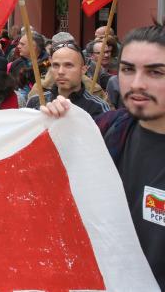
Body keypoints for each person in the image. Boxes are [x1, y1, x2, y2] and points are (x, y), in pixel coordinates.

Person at [39, 24, 165, 289]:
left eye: (155, 72)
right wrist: (59, 127)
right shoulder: (107, 131)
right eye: (128, 69)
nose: (137, 83)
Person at [26, 41, 110, 119]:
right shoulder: (35, 102)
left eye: (68, 65)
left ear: (83, 70)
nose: (60, 72)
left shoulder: (97, 108)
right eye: (56, 65)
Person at [9, 31, 49, 103]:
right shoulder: (16, 64)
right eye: (19, 43)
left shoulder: (49, 65)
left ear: (33, 47)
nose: (18, 46)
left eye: (22, 44)